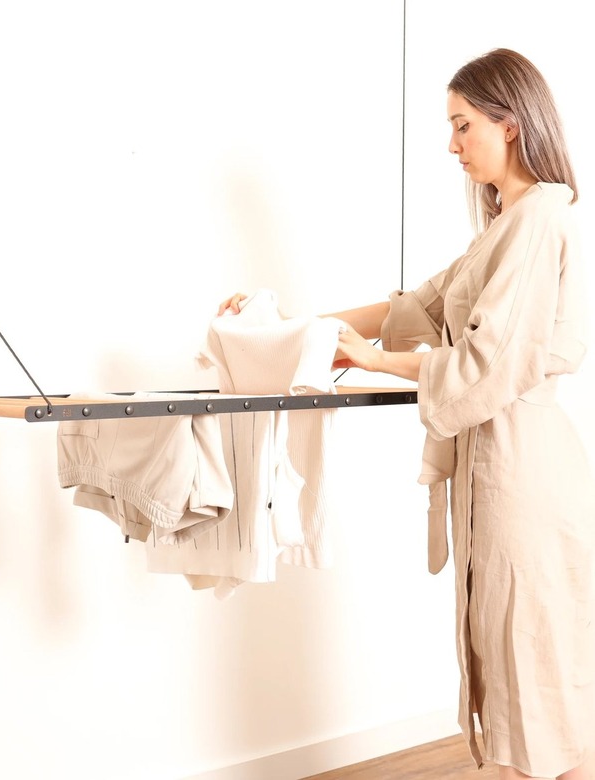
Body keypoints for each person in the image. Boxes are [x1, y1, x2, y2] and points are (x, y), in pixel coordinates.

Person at [219, 49, 594, 780]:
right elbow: (412, 308)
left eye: (462, 126)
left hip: (526, 465)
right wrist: (287, 324)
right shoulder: (503, 227)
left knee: (531, 651)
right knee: (509, 645)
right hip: (500, 460)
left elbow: (488, 363)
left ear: (509, 124)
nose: (451, 144)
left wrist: (374, 360)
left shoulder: (541, 217)